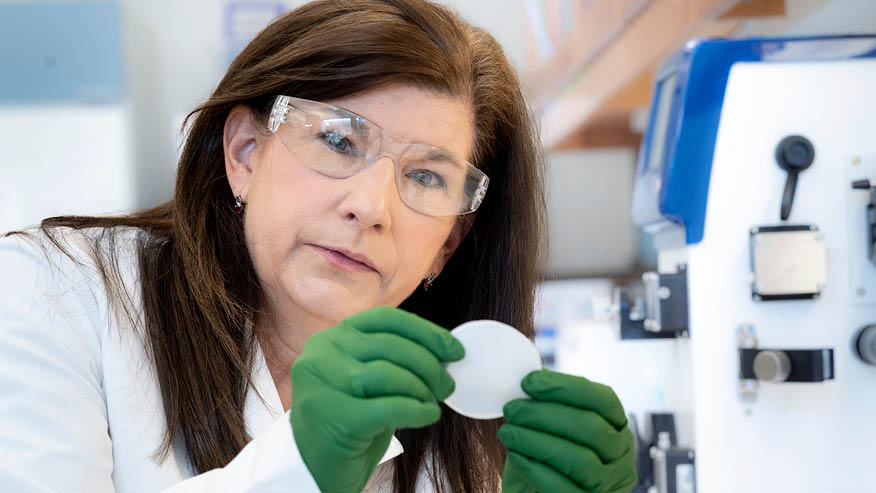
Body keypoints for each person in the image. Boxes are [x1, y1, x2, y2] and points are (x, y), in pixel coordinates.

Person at [0, 0, 637, 491]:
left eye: (426, 177)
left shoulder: (464, 443)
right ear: (246, 153)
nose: (371, 206)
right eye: (338, 140)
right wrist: (301, 467)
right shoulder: (55, 293)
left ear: (448, 243)